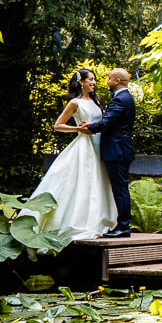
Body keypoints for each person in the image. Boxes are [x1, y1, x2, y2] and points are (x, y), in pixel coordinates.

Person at [20, 69, 117, 241]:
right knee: (84, 180)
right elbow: (58, 125)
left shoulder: (96, 101)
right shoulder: (75, 103)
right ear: (81, 82)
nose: (94, 83)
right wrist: (77, 128)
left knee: (100, 181)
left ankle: (102, 218)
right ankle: (78, 221)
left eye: (94, 80)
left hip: (99, 145)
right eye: (91, 80)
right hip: (85, 145)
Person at [79, 68, 136, 238]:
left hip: (117, 150)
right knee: (120, 188)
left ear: (117, 80)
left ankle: (124, 226)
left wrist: (88, 128)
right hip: (121, 149)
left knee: (120, 189)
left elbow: (106, 123)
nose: (107, 81)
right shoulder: (126, 98)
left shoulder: (119, 100)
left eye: (110, 79)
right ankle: (122, 224)